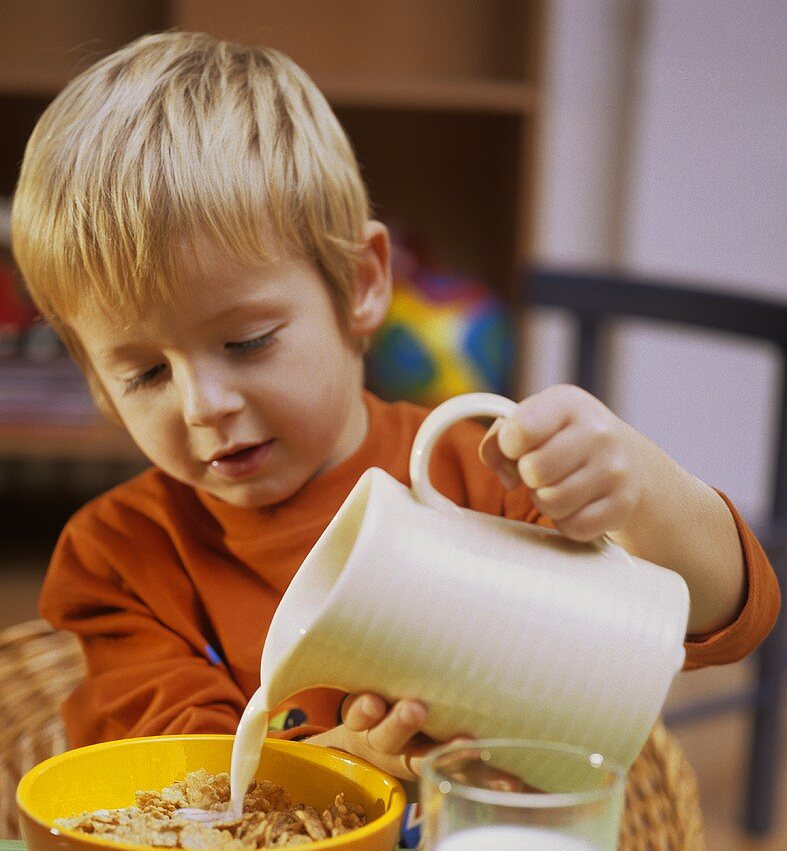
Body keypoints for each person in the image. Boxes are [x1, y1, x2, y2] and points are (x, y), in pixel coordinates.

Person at [11, 31, 779, 796]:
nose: (204, 405)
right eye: (145, 372)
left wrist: (639, 487)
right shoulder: (117, 560)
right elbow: (187, 792)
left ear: (362, 286)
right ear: (97, 385)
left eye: (245, 343)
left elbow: (723, 621)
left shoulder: (469, 478)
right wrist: (334, 771)